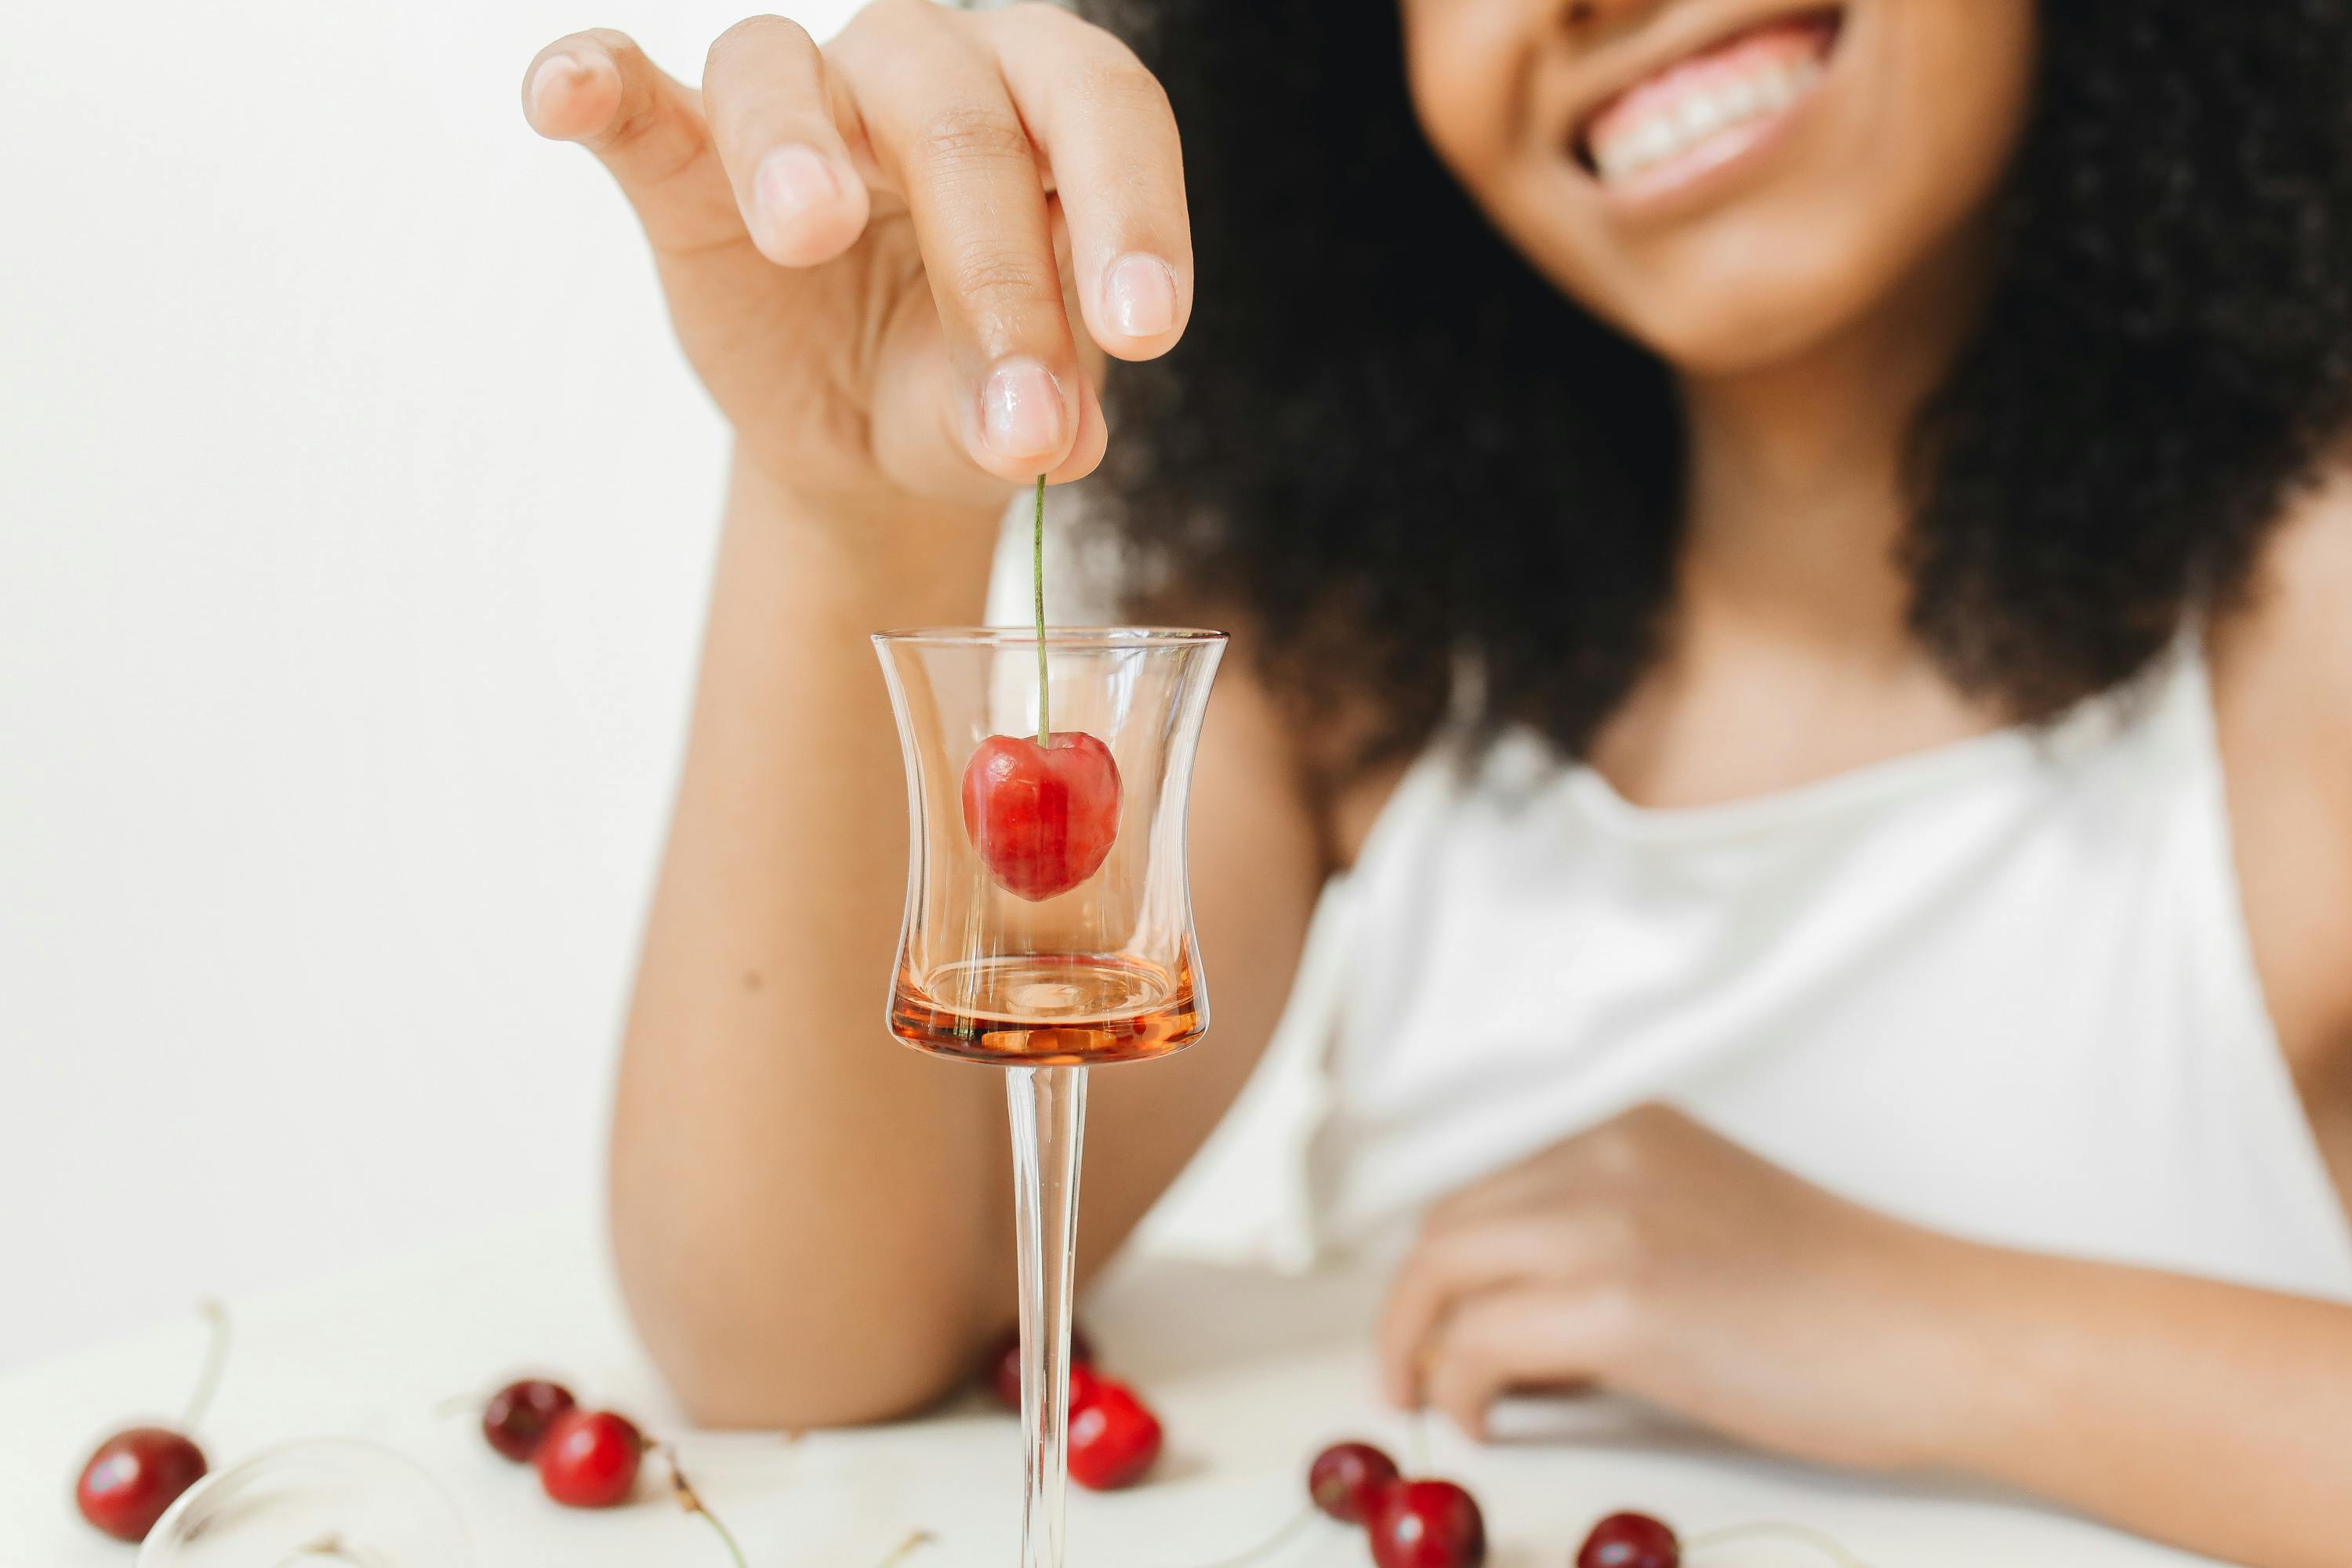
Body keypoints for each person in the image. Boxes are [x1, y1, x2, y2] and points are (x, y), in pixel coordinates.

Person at [519, 2, 2352, 1561]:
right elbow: (790, 1340)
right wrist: (850, 520)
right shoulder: (1364, 638)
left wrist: (1921, 1325)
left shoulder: (2317, 614)